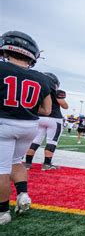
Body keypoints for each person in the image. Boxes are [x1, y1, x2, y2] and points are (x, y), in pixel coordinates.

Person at [0, 30, 52, 225]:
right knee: (16, 161)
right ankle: (23, 195)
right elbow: (46, 110)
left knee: (1, 168)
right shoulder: (42, 78)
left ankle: (3, 213)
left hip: (4, 123)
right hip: (29, 125)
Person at [24, 72, 68, 170]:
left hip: (39, 118)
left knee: (35, 140)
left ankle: (27, 163)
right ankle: (47, 164)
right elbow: (64, 105)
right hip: (54, 118)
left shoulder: (36, 90)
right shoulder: (56, 92)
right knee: (51, 141)